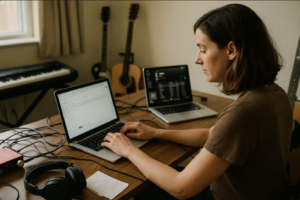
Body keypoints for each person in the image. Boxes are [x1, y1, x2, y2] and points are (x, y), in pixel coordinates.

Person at [101, 4, 293, 200]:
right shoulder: (275, 93)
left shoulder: (243, 112)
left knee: (144, 188)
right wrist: (157, 133)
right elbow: (214, 134)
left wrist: (128, 150)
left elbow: (181, 188)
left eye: (202, 49)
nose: (196, 59)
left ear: (231, 50)